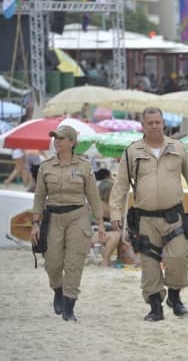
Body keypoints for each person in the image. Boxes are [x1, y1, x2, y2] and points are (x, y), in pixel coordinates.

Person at [109, 107, 188, 322]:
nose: (155, 126)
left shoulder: (177, 148)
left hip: (173, 217)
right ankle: (155, 306)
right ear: (143, 126)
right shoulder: (132, 152)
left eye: (158, 122)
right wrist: (115, 212)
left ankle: (174, 297)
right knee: (149, 264)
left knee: (178, 257)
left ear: (163, 123)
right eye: (150, 123)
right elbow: (119, 186)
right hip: (145, 219)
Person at [30, 125, 105, 322]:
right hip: (53, 217)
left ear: (72, 142)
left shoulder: (84, 166)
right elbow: (39, 197)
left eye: (62, 138)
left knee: (74, 263)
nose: (57, 141)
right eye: (55, 138)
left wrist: (100, 223)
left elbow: (93, 196)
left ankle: (69, 307)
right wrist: (35, 223)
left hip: (78, 216)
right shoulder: (45, 167)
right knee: (53, 263)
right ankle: (58, 289)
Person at [91, 179, 121, 267]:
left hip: (101, 233)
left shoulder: (109, 204)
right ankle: (106, 260)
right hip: (94, 233)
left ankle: (117, 258)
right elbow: (112, 214)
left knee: (121, 234)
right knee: (116, 235)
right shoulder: (100, 204)